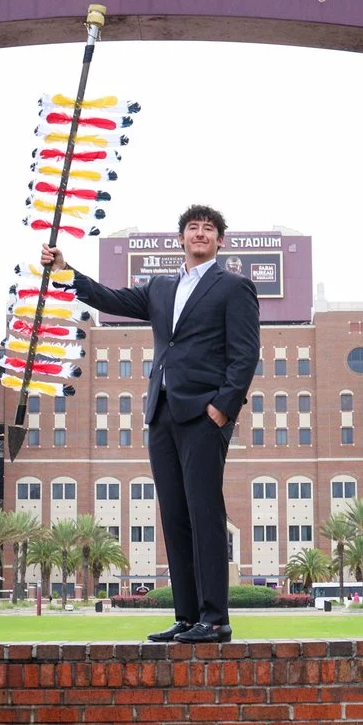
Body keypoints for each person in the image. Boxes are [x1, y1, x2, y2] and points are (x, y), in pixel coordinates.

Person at [43, 203, 258, 644]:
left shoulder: (234, 287)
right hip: (160, 412)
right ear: (180, 239)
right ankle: (186, 617)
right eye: (192, 228)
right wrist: (67, 273)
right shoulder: (161, 286)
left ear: (220, 240)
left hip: (203, 413)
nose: (200, 234)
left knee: (205, 513)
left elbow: (244, 353)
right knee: (174, 516)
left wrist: (222, 407)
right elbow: (112, 300)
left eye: (209, 229)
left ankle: (215, 619)